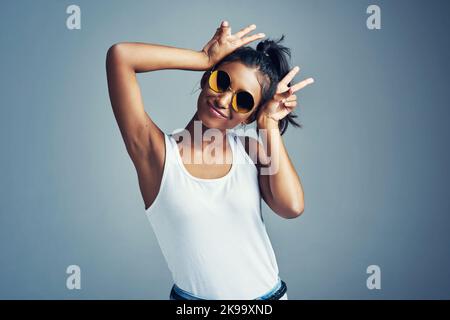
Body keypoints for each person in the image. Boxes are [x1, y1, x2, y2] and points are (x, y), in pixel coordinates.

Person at [106, 20, 314, 300]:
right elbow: (121, 56)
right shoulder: (155, 154)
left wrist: (267, 125)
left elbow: (291, 206)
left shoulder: (250, 152)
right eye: (222, 82)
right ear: (207, 78)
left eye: (243, 101)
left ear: (249, 116)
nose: (224, 100)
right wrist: (202, 58)